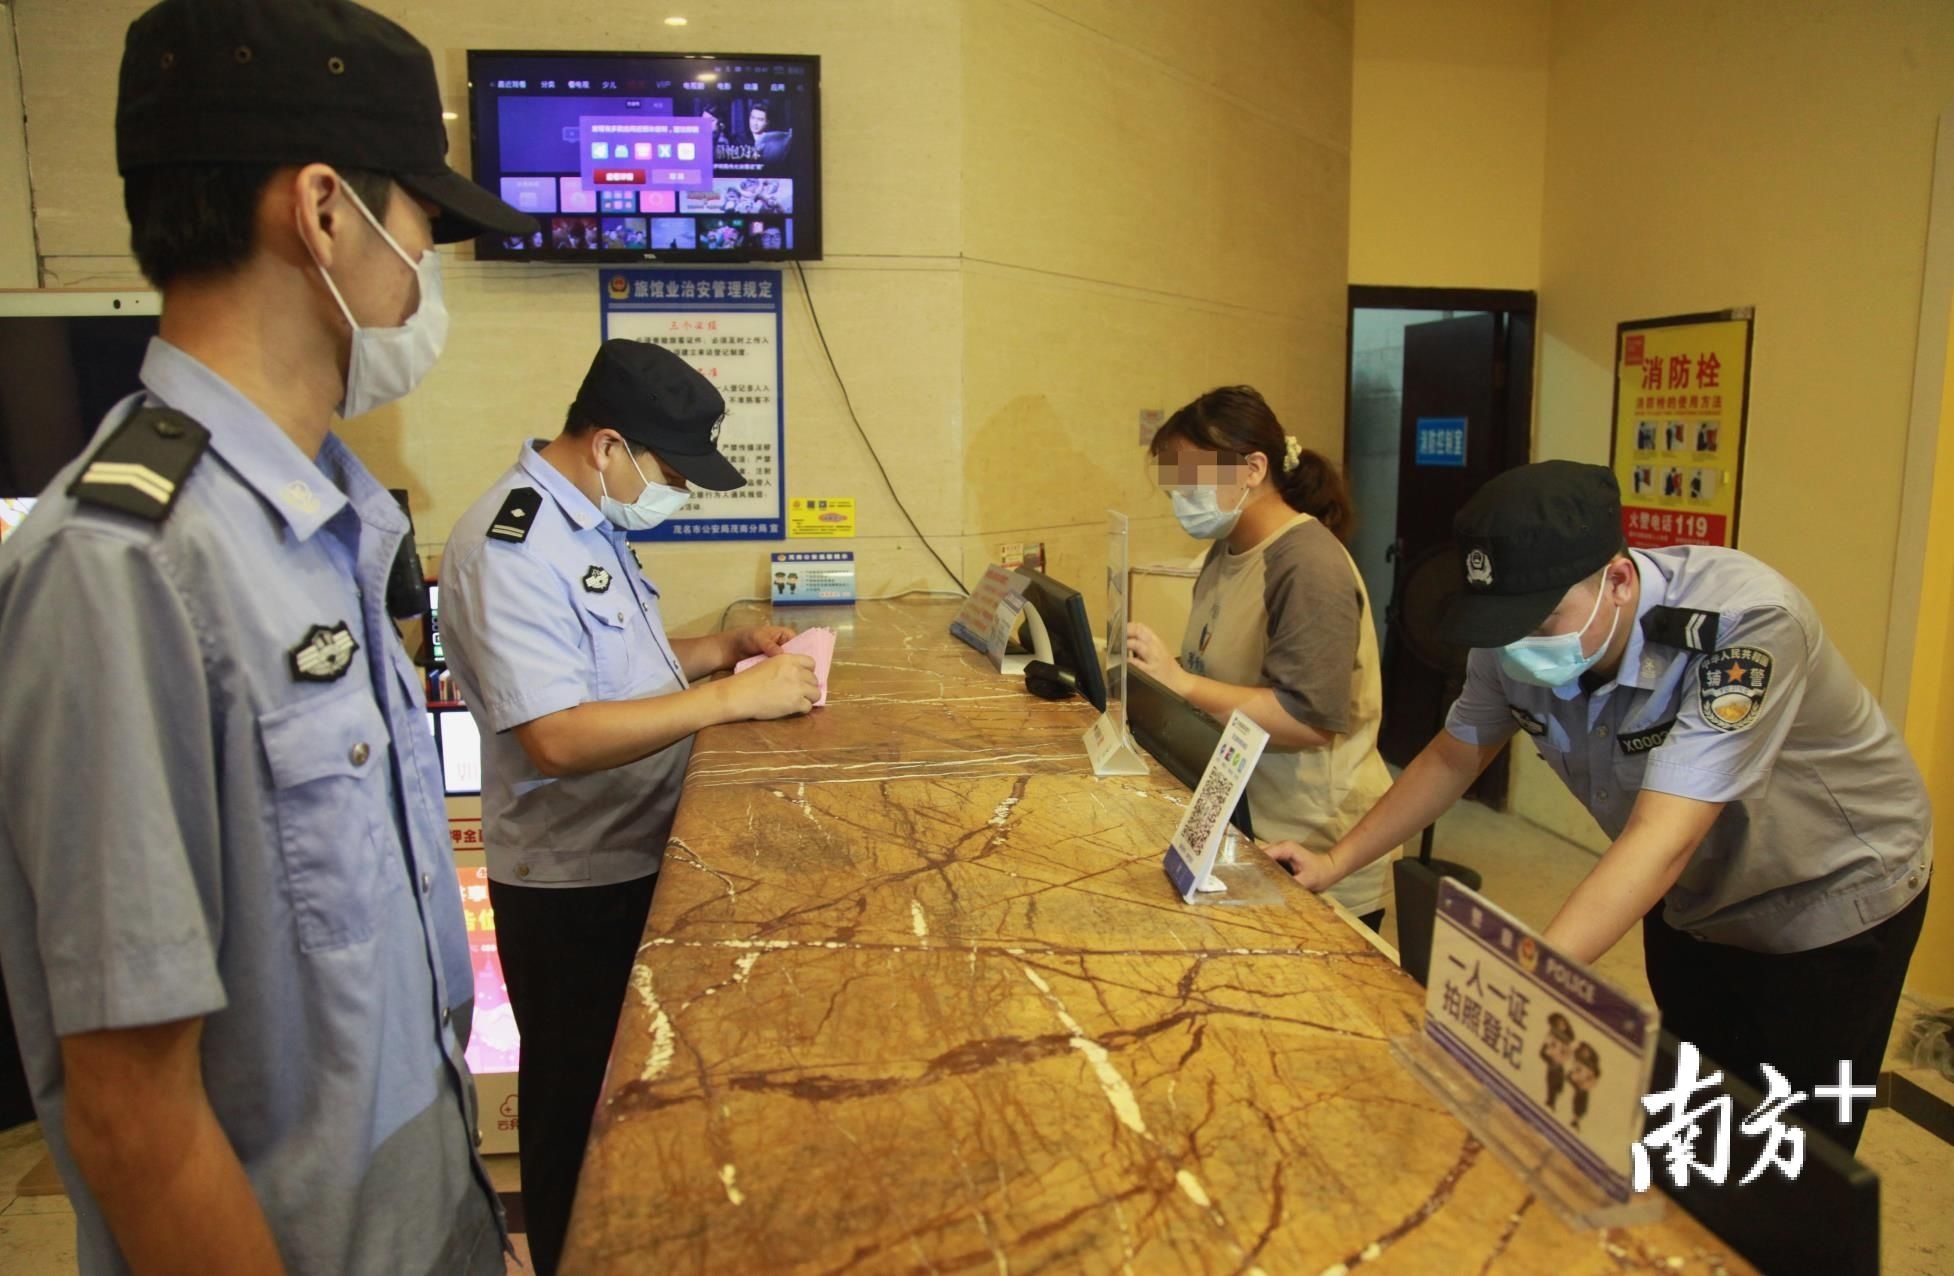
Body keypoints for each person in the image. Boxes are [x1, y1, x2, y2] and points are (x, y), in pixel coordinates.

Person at [0, 1, 538, 1272]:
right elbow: (135, 1113)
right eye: (423, 225)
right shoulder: (123, 565)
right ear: (323, 212)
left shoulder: (329, 517)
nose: (427, 270)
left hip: (430, 1210)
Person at [1269, 460, 1932, 1150]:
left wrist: (1528, 983)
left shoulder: (1746, 626)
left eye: (1539, 620)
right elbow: (1456, 753)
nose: (1515, 643)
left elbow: (1659, 840)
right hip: (1691, 892)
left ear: (1617, 579)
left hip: (1832, 887)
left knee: (1790, 1148)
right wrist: (1333, 861)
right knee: (1694, 1112)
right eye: (1499, 625)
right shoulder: (1514, 630)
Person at [438, 338, 818, 1275]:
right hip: (576, 882)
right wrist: (731, 700)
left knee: (633, 1105)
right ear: (608, 446)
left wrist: (720, 651)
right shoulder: (512, 544)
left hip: (636, 855)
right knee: (578, 1111)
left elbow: (623, 671)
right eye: (671, 472)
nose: (676, 491)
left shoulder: (589, 523)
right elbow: (558, 736)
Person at [1127, 386, 1403, 929]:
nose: (1178, 497)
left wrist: (1180, 684)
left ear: (1253, 468)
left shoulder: (1308, 564)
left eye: (1189, 478)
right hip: (1243, 819)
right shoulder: (1225, 549)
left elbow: (1306, 719)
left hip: (1309, 841)